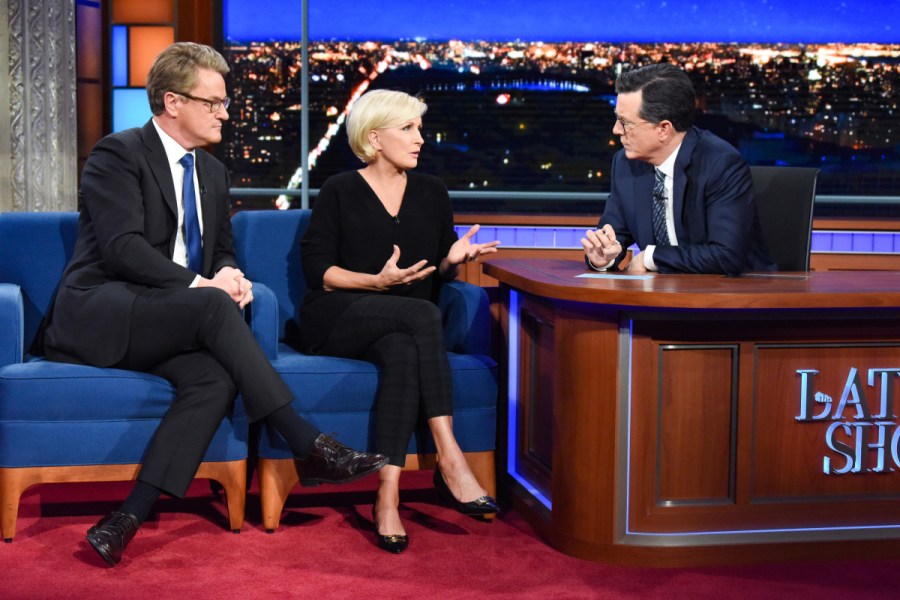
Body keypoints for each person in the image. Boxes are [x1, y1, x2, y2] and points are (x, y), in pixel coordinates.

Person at [42, 42, 388, 567]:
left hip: (167, 317)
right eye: (214, 102)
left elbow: (221, 251)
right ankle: (308, 442)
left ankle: (127, 517)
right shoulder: (119, 154)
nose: (225, 113)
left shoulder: (213, 172)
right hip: (102, 311)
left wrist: (231, 276)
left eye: (225, 102)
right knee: (211, 306)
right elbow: (122, 248)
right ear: (173, 102)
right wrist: (204, 285)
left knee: (215, 379)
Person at [297, 89, 501, 554]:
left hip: (404, 324)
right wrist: (375, 282)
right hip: (340, 315)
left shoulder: (431, 191)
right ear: (374, 138)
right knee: (423, 314)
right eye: (407, 129)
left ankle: (386, 493)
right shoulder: (340, 190)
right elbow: (318, 271)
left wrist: (453, 260)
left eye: (420, 129)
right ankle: (450, 457)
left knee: (406, 347)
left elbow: (439, 267)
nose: (420, 139)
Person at [582, 63, 775, 275]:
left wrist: (651, 257)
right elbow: (613, 235)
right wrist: (603, 257)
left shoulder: (720, 165)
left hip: (734, 290)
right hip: (660, 290)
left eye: (625, 122)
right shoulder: (626, 164)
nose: (616, 130)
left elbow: (727, 255)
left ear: (664, 129)